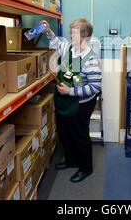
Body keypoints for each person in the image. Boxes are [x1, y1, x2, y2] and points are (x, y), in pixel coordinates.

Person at [41, 18, 102, 183]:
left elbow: (95, 87)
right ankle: (71, 160)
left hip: (81, 104)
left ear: (84, 35)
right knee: (64, 132)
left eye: (74, 32)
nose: (70, 35)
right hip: (64, 101)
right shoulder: (69, 48)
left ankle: (85, 168)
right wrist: (48, 32)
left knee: (79, 135)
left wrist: (71, 91)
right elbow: (56, 43)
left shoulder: (91, 59)